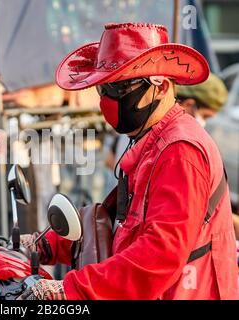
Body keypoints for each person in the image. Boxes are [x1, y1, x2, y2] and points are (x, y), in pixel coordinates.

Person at [18, 23, 238, 300]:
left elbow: (160, 254)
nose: (108, 98)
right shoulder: (151, 142)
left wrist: (70, 290)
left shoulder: (180, 150)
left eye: (120, 87)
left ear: (161, 87)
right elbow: (114, 223)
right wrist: (44, 244)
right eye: (104, 88)